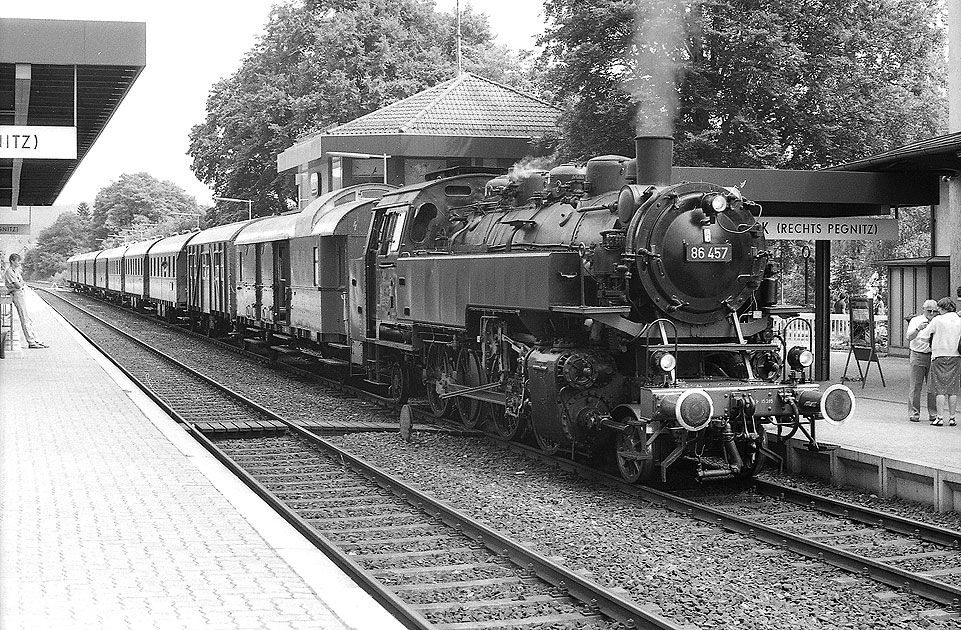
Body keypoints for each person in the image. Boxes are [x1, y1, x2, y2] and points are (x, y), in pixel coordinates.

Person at [917, 297, 961, 426]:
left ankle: (940, 418)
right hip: (956, 356)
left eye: (939, 309)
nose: (937, 311)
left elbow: (923, 337)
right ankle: (952, 418)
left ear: (943, 308)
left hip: (939, 357)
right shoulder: (959, 320)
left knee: (939, 389)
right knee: (953, 389)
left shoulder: (937, 320)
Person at [3, 253, 47, 349]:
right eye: (17, 261)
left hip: (21, 293)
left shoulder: (16, 271)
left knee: (28, 318)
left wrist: (20, 283)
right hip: (17, 294)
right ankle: (31, 341)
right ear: (12, 261)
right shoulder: (9, 272)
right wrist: (19, 284)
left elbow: (21, 283)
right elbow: (18, 285)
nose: (19, 262)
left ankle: (36, 340)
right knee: (24, 318)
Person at [906, 300, 938, 422]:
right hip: (918, 354)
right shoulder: (916, 320)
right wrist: (918, 329)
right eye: (929, 310)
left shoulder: (937, 321)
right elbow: (909, 337)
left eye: (934, 311)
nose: (931, 313)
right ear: (923, 309)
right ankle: (914, 413)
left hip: (933, 356)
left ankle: (933, 413)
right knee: (915, 386)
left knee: (933, 386)